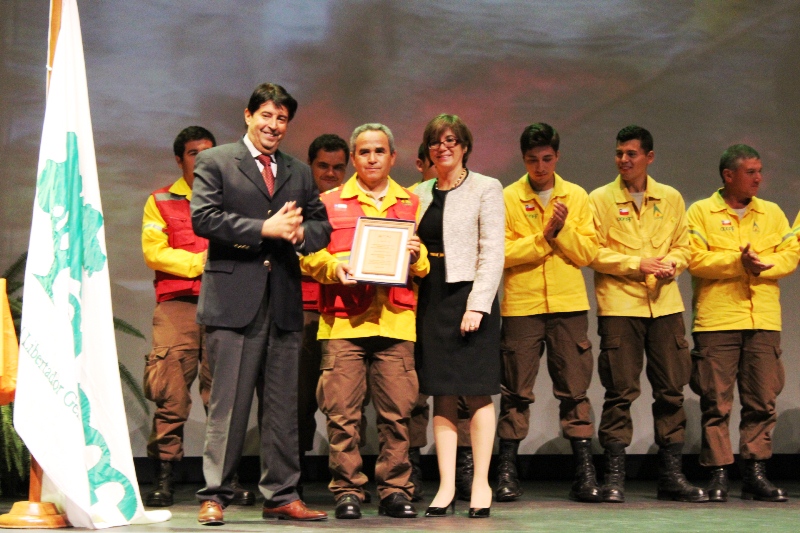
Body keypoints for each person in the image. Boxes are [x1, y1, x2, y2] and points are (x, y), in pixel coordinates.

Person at [190, 83, 330, 525]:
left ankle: (281, 495)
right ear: (248, 115)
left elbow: (321, 226)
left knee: (283, 408)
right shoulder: (216, 161)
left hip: (283, 301)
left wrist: (301, 233)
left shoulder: (298, 171)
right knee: (228, 406)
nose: (274, 125)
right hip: (233, 301)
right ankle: (215, 495)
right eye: (266, 115)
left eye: (282, 119)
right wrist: (263, 229)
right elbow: (203, 218)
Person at [301, 123, 429, 520]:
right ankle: (347, 490)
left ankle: (395, 490)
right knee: (342, 415)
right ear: (353, 159)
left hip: (395, 320)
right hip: (344, 322)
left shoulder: (411, 202)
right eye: (364, 152)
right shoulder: (328, 201)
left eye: (379, 151)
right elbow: (308, 256)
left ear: (392, 157)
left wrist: (417, 256)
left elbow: (423, 266)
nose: (372, 158)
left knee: (398, 415)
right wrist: (334, 267)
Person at [588, 125, 706, 503]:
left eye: (631, 154)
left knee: (671, 390)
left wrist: (673, 263)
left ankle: (671, 476)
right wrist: (636, 263)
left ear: (649, 157)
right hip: (620, 306)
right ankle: (614, 477)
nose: (623, 160)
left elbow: (684, 246)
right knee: (619, 392)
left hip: (665, 306)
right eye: (619, 153)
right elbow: (592, 252)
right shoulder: (600, 199)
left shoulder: (670, 197)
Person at [687, 144, 798, 502]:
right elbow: (694, 258)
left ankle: (755, 473)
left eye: (760, 171)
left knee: (762, 400)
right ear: (728, 175)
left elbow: (790, 254)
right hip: (717, 319)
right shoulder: (701, 211)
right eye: (751, 172)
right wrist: (739, 263)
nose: (759, 178)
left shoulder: (771, 212)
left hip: (763, 318)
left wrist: (764, 265)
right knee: (716, 402)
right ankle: (718, 473)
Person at [498, 123, 600, 503]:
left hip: (568, 305)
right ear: (523, 159)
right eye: (532, 160)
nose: (540, 167)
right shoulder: (508, 196)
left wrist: (561, 232)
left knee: (575, 391)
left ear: (557, 156)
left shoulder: (577, 195)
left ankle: (584, 474)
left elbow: (587, 253)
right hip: (522, 305)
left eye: (546, 159)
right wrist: (544, 238)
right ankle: (507, 472)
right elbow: (501, 253)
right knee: (516, 392)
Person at [413, 114, 504, 518]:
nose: (443, 147)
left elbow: (493, 252)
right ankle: (447, 485)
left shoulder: (486, 187)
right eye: (436, 142)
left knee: (478, 390)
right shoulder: (417, 192)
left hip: (470, 296)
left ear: (465, 146)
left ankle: (481, 482)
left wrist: (478, 304)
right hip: (431, 297)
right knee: (442, 392)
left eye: (451, 140)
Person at [408, 143, 473, 503]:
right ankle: (412, 465)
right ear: (422, 164)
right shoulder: (410, 199)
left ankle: (464, 466)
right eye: (434, 161)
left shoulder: (470, 196)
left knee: (459, 387)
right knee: (416, 390)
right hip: (418, 300)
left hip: (455, 295)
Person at [298, 134, 349, 472]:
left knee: (344, 401)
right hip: (302, 311)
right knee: (298, 398)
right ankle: (293, 477)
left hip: (342, 313)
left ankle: (347, 478)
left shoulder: (353, 208)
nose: (330, 173)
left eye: (338, 167)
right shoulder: (294, 204)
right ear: (310, 165)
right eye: (323, 166)